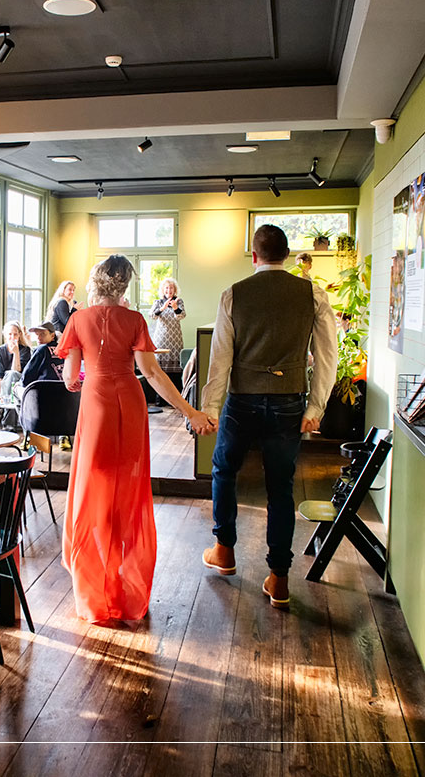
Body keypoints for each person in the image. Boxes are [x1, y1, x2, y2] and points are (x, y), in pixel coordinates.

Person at [57, 255, 216, 624]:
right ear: (125, 284)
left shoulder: (78, 320)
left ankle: (97, 588)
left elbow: (69, 377)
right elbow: (153, 373)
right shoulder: (135, 320)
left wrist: (79, 376)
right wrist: (189, 413)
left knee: (94, 488)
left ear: (95, 281)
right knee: (124, 490)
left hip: (96, 405)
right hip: (129, 403)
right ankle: (121, 586)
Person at [200, 225, 337, 609]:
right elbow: (328, 355)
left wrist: (211, 409)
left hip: (242, 401)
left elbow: (220, 359)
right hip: (289, 401)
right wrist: (316, 407)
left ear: (254, 256)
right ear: (289, 255)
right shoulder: (312, 294)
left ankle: (224, 550)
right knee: (281, 486)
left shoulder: (234, 294)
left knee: (224, 470)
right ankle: (278, 578)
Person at [149, 277, 186, 381]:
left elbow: (181, 316)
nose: (169, 290)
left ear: (175, 290)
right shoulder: (158, 302)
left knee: (176, 372)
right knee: (160, 370)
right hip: (161, 339)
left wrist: (175, 307)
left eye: (171, 288)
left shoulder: (179, 302)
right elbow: (152, 316)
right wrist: (162, 308)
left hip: (175, 340)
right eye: (166, 288)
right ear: (163, 290)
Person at [0, 321, 30, 410]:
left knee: (12, 374)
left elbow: (16, 371)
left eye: (15, 334)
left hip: (17, 382)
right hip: (2, 382)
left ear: (19, 335)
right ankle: (0, 406)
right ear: (5, 336)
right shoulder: (0, 351)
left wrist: (16, 353)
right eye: (10, 334)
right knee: (7, 375)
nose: (12, 337)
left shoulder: (25, 350)